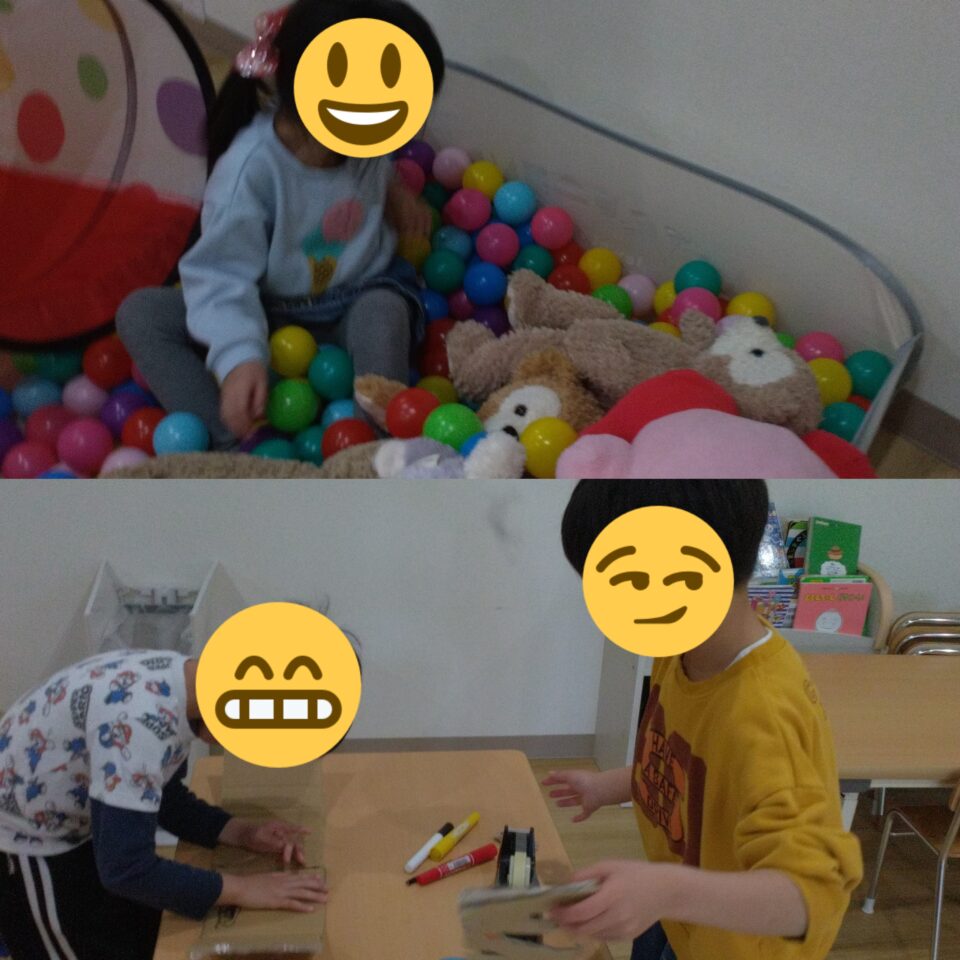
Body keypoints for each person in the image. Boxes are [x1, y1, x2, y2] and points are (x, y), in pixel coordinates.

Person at [545, 480, 862, 960]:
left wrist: (666, 890)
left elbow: (813, 897)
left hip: (736, 940)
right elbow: (687, 770)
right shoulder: (680, 649)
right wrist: (607, 787)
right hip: (677, 913)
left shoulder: (761, 715)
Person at [117, 0, 445, 449]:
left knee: (384, 311)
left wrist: (396, 193)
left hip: (358, 294)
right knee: (141, 314)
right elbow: (221, 274)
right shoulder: (250, 172)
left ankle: (375, 449)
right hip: (267, 310)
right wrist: (240, 357)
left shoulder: (363, 136)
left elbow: (377, 167)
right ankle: (231, 445)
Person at [0, 650, 326, 960]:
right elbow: (126, 868)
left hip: (79, 819)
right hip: (26, 842)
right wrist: (244, 889)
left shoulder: (177, 682)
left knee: (139, 931)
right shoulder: (139, 725)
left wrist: (241, 833)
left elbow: (162, 797)